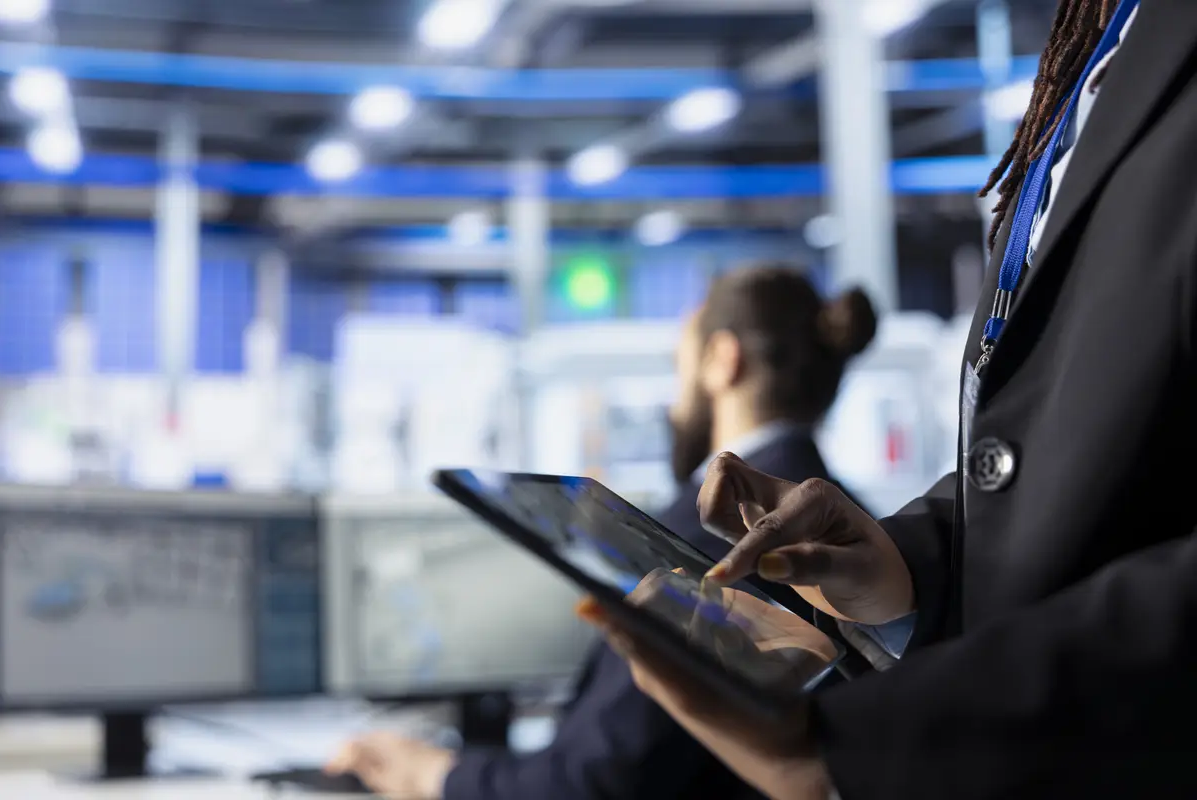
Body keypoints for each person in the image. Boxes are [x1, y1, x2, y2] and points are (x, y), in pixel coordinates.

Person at [581, 1, 1197, 798]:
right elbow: (1092, 445)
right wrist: (907, 576)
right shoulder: (1104, 40)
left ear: (721, 361)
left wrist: (865, 750)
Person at [325, 265, 878, 800]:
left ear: (721, 360)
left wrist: (433, 774)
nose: (673, 397)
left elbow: (595, 782)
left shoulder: (713, 534)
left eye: (678, 365)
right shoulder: (852, 519)